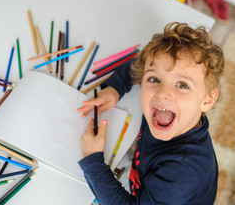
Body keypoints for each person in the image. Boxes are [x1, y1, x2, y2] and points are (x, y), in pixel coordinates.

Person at [76, 22, 225, 204]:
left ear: (207, 100)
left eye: (182, 85)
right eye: (154, 79)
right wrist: (115, 88)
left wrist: (93, 161)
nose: (163, 93)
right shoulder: (170, 114)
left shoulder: (182, 171)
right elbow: (139, 65)